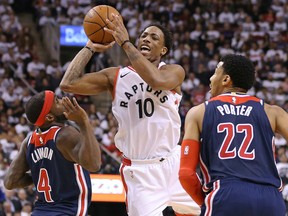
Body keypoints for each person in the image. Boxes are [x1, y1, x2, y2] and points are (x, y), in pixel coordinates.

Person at [60, 14, 200, 216]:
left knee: (212, 208)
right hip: (140, 172)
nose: (146, 39)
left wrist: (125, 43)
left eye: (153, 37)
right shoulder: (115, 75)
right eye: (143, 35)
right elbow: (68, 83)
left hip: (173, 162)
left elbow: (156, 81)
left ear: (163, 50)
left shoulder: (173, 71)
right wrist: (90, 47)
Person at [178, 54, 287, 216]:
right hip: (270, 198)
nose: (210, 79)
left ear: (225, 80)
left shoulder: (199, 112)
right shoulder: (272, 112)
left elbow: (186, 174)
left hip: (225, 194)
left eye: (215, 73)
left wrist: (206, 202)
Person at [4, 90, 102, 215]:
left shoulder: (29, 142)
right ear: (50, 117)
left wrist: (39, 177)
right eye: (57, 101)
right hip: (68, 211)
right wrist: (83, 121)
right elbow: (94, 165)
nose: (63, 101)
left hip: (40, 212)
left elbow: (10, 181)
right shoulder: (65, 134)